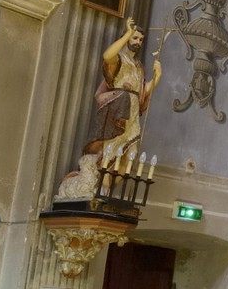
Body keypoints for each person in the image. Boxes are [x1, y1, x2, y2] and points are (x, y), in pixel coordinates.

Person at [58, 18, 163, 198]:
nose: (137, 42)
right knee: (111, 150)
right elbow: (107, 56)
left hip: (132, 115)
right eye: (135, 38)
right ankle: (103, 188)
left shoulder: (139, 67)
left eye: (140, 39)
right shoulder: (119, 58)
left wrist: (157, 77)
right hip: (117, 109)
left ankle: (108, 190)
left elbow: (143, 92)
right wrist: (127, 34)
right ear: (127, 37)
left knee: (131, 153)